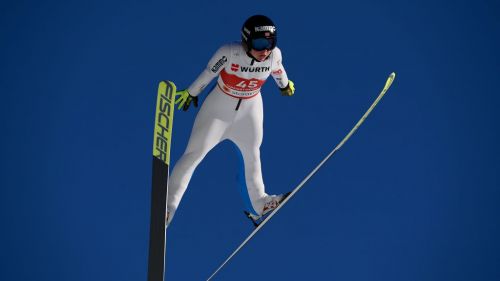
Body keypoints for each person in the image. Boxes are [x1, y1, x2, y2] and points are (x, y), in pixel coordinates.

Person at [167, 15, 295, 226]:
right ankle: (167, 208)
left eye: (270, 43)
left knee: (252, 154)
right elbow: (209, 73)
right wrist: (191, 92)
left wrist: (285, 85)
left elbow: (279, 71)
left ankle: (259, 205)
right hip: (219, 110)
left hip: (250, 110)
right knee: (194, 154)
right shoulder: (229, 52)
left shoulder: (274, 56)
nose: (265, 50)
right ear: (246, 41)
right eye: (259, 43)